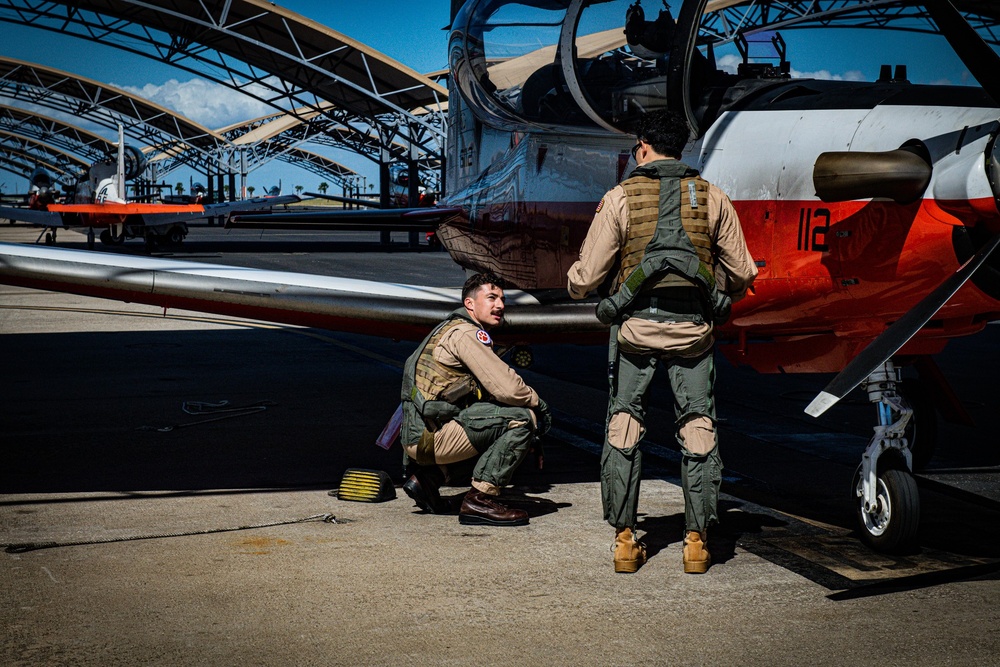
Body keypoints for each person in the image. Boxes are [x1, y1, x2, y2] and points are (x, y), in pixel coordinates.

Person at [567, 109, 757, 573]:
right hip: (694, 332)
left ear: (644, 147)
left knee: (624, 425)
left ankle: (627, 542)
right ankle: (696, 543)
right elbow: (744, 273)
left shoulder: (620, 197)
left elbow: (586, 278)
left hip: (634, 331)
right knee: (698, 426)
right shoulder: (712, 197)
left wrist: (576, 284)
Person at [399, 272, 552, 526]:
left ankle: (428, 480)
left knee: (493, 418)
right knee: (522, 420)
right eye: (491, 297)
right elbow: (508, 388)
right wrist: (539, 405)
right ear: (470, 304)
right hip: (431, 438)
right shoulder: (466, 333)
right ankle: (480, 499)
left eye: (502, 299)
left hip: (422, 435)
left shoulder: (448, 328)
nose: (500, 305)